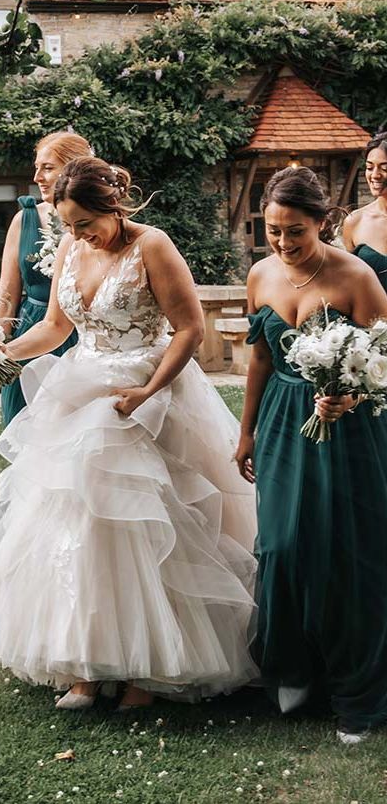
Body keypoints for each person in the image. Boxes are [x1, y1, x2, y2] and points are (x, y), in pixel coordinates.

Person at [0, 157, 257, 710]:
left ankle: (146, 670)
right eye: (69, 225)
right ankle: (85, 661)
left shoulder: (153, 245)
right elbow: (56, 327)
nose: (77, 234)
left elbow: (191, 328)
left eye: (84, 223)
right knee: (77, 517)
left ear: (113, 205)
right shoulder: (69, 248)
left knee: (150, 524)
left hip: (144, 387)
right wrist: (1, 358)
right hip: (82, 382)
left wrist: (149, 393)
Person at [235, 166, 387, 744]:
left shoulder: (356, 277)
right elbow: (258, 361)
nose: (281, 242)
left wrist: (349, 394)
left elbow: (385, 358)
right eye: (272, 230)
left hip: (349, 433)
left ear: (322, 223)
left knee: (344, 553)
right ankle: (295, 670)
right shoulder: (260, 274)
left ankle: (358, 691)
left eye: (294, 231)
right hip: (280, 422)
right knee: (281, 545)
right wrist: (246, 432)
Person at [0, 131, 92, 426]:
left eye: (48, 168)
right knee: (26, 431)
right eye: (37, 167)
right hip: (31, 335)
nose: (38, 176)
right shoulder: (23, 219)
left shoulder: (99, 225)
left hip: (84, 336)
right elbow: (7, 296)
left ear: (73, 168)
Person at [343, 130, 387, 293]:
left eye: (384, 168)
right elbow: (350, 283)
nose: (375, 175)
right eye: (369, 167)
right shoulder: (354, 222)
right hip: (371, 317)